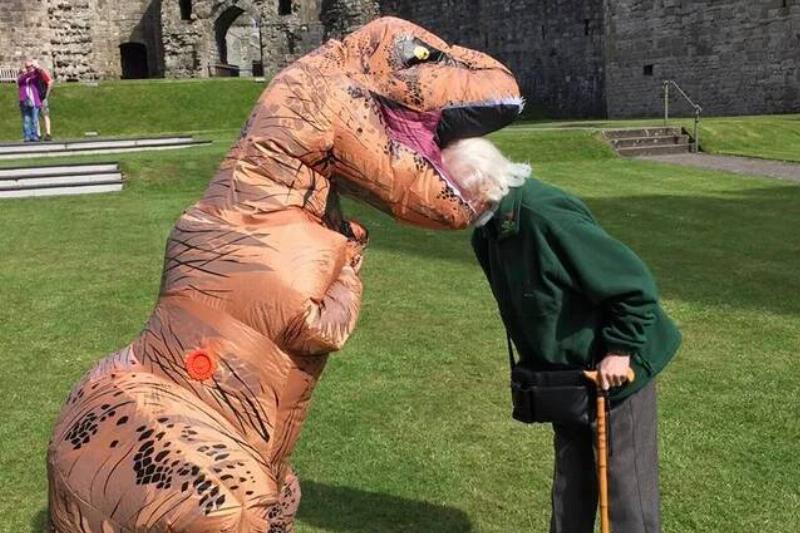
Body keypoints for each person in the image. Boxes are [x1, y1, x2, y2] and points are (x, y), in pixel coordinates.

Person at [443, 137, 681, 533]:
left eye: (448, 191)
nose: (441, 201)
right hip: (569, 381)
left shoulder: (544, 214)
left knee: (626, 501)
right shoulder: (485, 233)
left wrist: (620, 351)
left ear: (480, 186)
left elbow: (634, 287)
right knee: (571, 489)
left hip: (619, 373)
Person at [16, 60, 42, 142]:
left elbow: (40, 73)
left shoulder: (35, 75)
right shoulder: (22, 77)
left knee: (35, 119)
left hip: (34, 100)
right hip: (24, 100)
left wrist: (37, 67)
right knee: (26, 120)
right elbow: (20, 81)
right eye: (27, 67)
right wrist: (25, 73)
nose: (29, 68)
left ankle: (34, 135)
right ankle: (27, 135)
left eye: (30, 66)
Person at [32, 60, 54, 141]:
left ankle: (48, 133)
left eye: (35, 66)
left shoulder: (41, 73)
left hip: (42, 96)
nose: (34, 68)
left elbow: (50, 82)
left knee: (45, 115)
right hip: (35, 97)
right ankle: (38, 134)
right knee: (36, 116)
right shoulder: (33, 74)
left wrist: (46, 95)